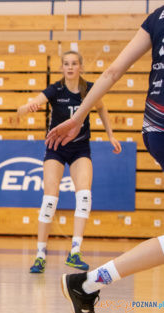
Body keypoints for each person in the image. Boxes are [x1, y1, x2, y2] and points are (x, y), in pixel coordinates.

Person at [43, 6, 164, 313]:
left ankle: (87, 283)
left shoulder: (158, 15)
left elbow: (112, 72)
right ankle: (76, 276)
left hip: (154, 127)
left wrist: (77, 118)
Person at [17, 51, 121, 274]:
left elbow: (102, 108)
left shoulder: (89, 89)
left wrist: (111, 134)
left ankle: (75, 251)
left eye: (74, 63)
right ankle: (40, 255)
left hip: (80, 149)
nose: (70, 67)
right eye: (66, 64)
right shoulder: (55, 89)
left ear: (81, 67)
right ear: (62, 68)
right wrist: (28, 107)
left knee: (84, 195)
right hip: (56, 149)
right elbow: (33, 103)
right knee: (50, 198)